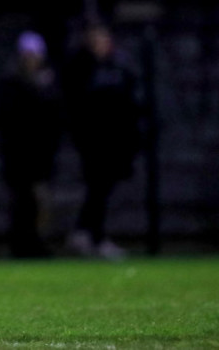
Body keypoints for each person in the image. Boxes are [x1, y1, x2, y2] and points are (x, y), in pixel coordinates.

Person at [62, 22, 144, 260]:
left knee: (101, 190)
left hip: (114, 141)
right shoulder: (80, 68)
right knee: (98, 188)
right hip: (92, 142)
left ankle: (86, 233)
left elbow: (128, 102)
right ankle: (92, 236)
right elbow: (76, 106)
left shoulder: (118, 67)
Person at [0, 30, 64, 258]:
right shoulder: (12, 84)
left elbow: (54, 120)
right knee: (21, 202)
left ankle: (39, 242)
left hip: (41, 156)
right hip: (19, 156)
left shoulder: (49, 85)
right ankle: (21, 244)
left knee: (40, 202)